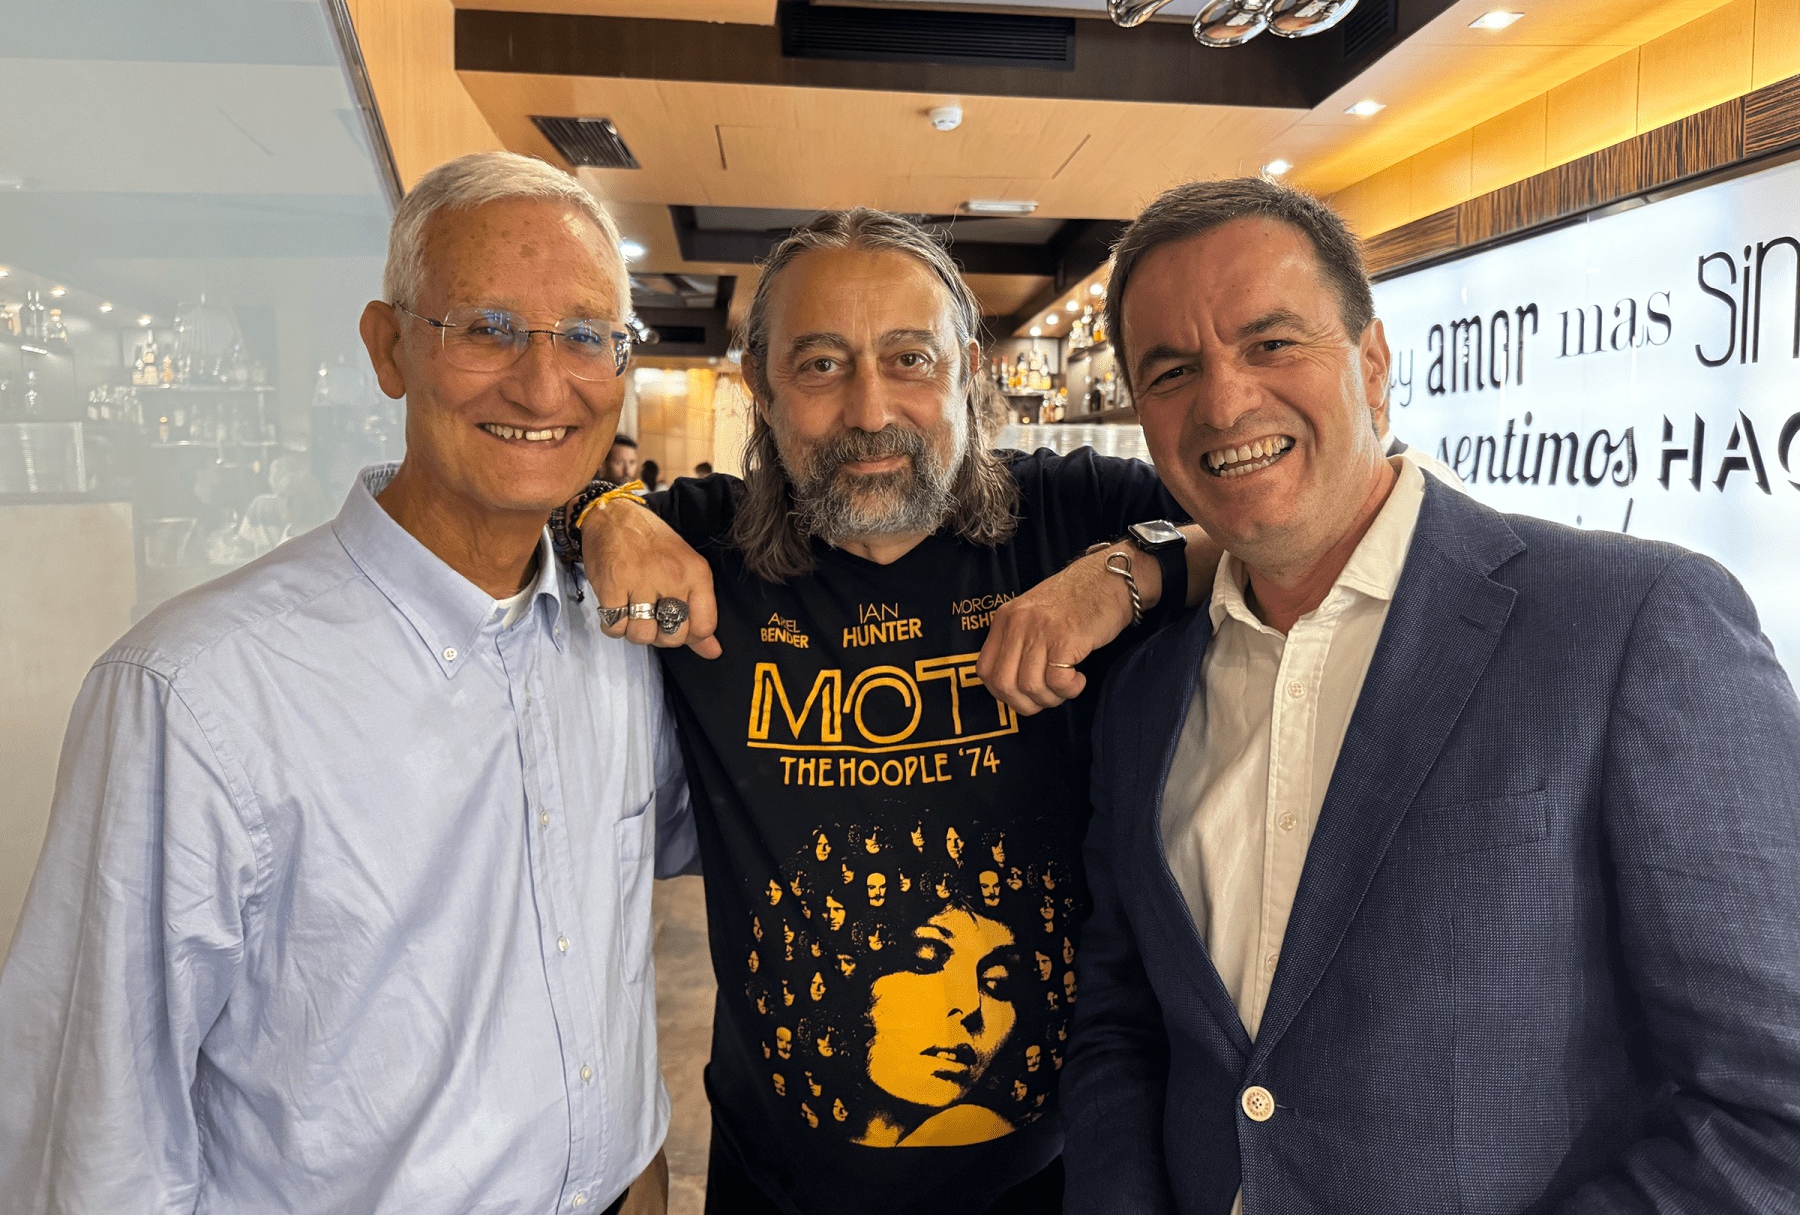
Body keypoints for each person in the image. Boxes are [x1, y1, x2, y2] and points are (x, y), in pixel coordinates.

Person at [1061, 178, 1800, 1212]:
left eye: (1271, 344)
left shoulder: (1632, 622)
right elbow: (1124, 1026)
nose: (1224, 403)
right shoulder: (1143, 694)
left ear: (1372, 365)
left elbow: (1774, 1107)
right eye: (1173, 370)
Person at [0, 152, 696, 1214]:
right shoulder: (196, 693)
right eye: (487, 328)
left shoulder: (621, 642)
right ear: (389, 349)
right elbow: (97, 1128)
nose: (543, 383)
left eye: (585, 336)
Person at [567, 209, 1213, 1215]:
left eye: (910, 358)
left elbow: (1291, 522)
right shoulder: (702, 541)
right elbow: (496, 499)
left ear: (970, 372)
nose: (871, 410)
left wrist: (1127, 572)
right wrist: (600, 514)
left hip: (1050, 1171)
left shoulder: (1073, 513)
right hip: (772, 1181)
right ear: (761, 389)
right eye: (821, 366)